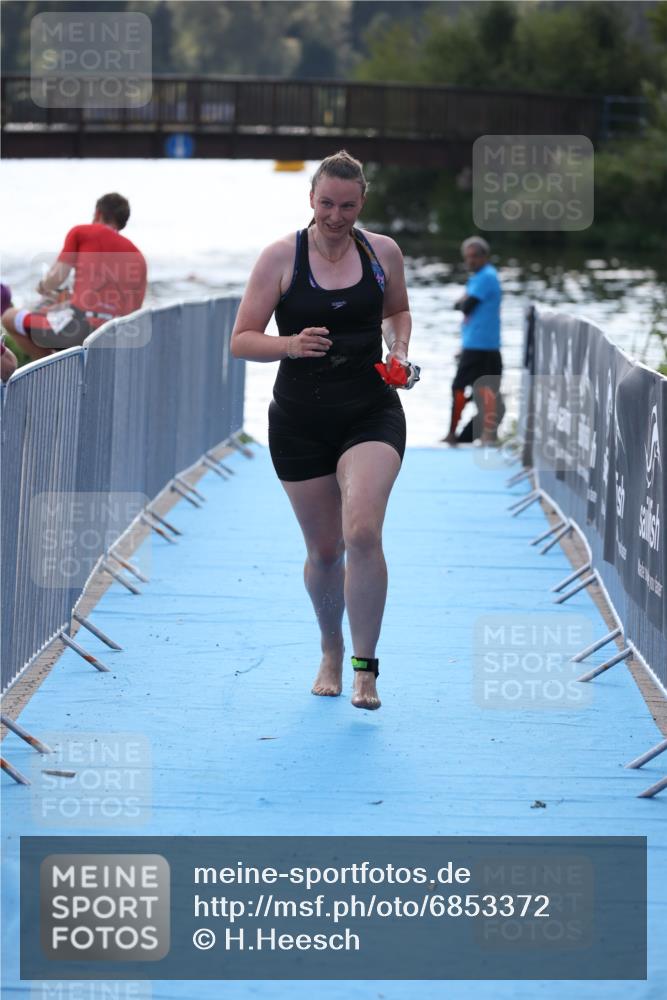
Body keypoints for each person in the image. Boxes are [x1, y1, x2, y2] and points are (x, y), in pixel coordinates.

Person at [231, 150, 413, 711]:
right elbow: (241, 339)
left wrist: (399, 351)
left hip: (370, 412)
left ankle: (365, 668)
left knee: (363, 532)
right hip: (299, 421)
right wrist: (288, 344)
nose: (336, 216)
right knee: (326, 551)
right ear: (311, 199)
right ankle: (330, 648)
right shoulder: (280, 257)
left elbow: (397, 312)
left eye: (348, 206)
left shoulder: (382, 253)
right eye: (327, 204)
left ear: (362, 203)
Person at [1, 193, 147, 361]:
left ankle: (53, 373)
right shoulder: (139, 257)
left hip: (79, 330)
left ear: (98, 213)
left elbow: (57, 277)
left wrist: (43, 287)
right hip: (116, 337)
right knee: (56, 312)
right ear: (122, 222)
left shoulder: (81, 232)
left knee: (10, 317)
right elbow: (133, 311)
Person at [443, 236, 503, 446]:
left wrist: (462, 302)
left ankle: (464, 435)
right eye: (467, 257)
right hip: (473, 344)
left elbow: (466, 306)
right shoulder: (478, 277)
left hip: (482, 346)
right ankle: (460, 435)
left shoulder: (486, 277)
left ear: (485, 256)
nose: (471, 260)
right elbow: (461, 306)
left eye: (475, 256)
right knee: (476, 391)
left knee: (467, 388)